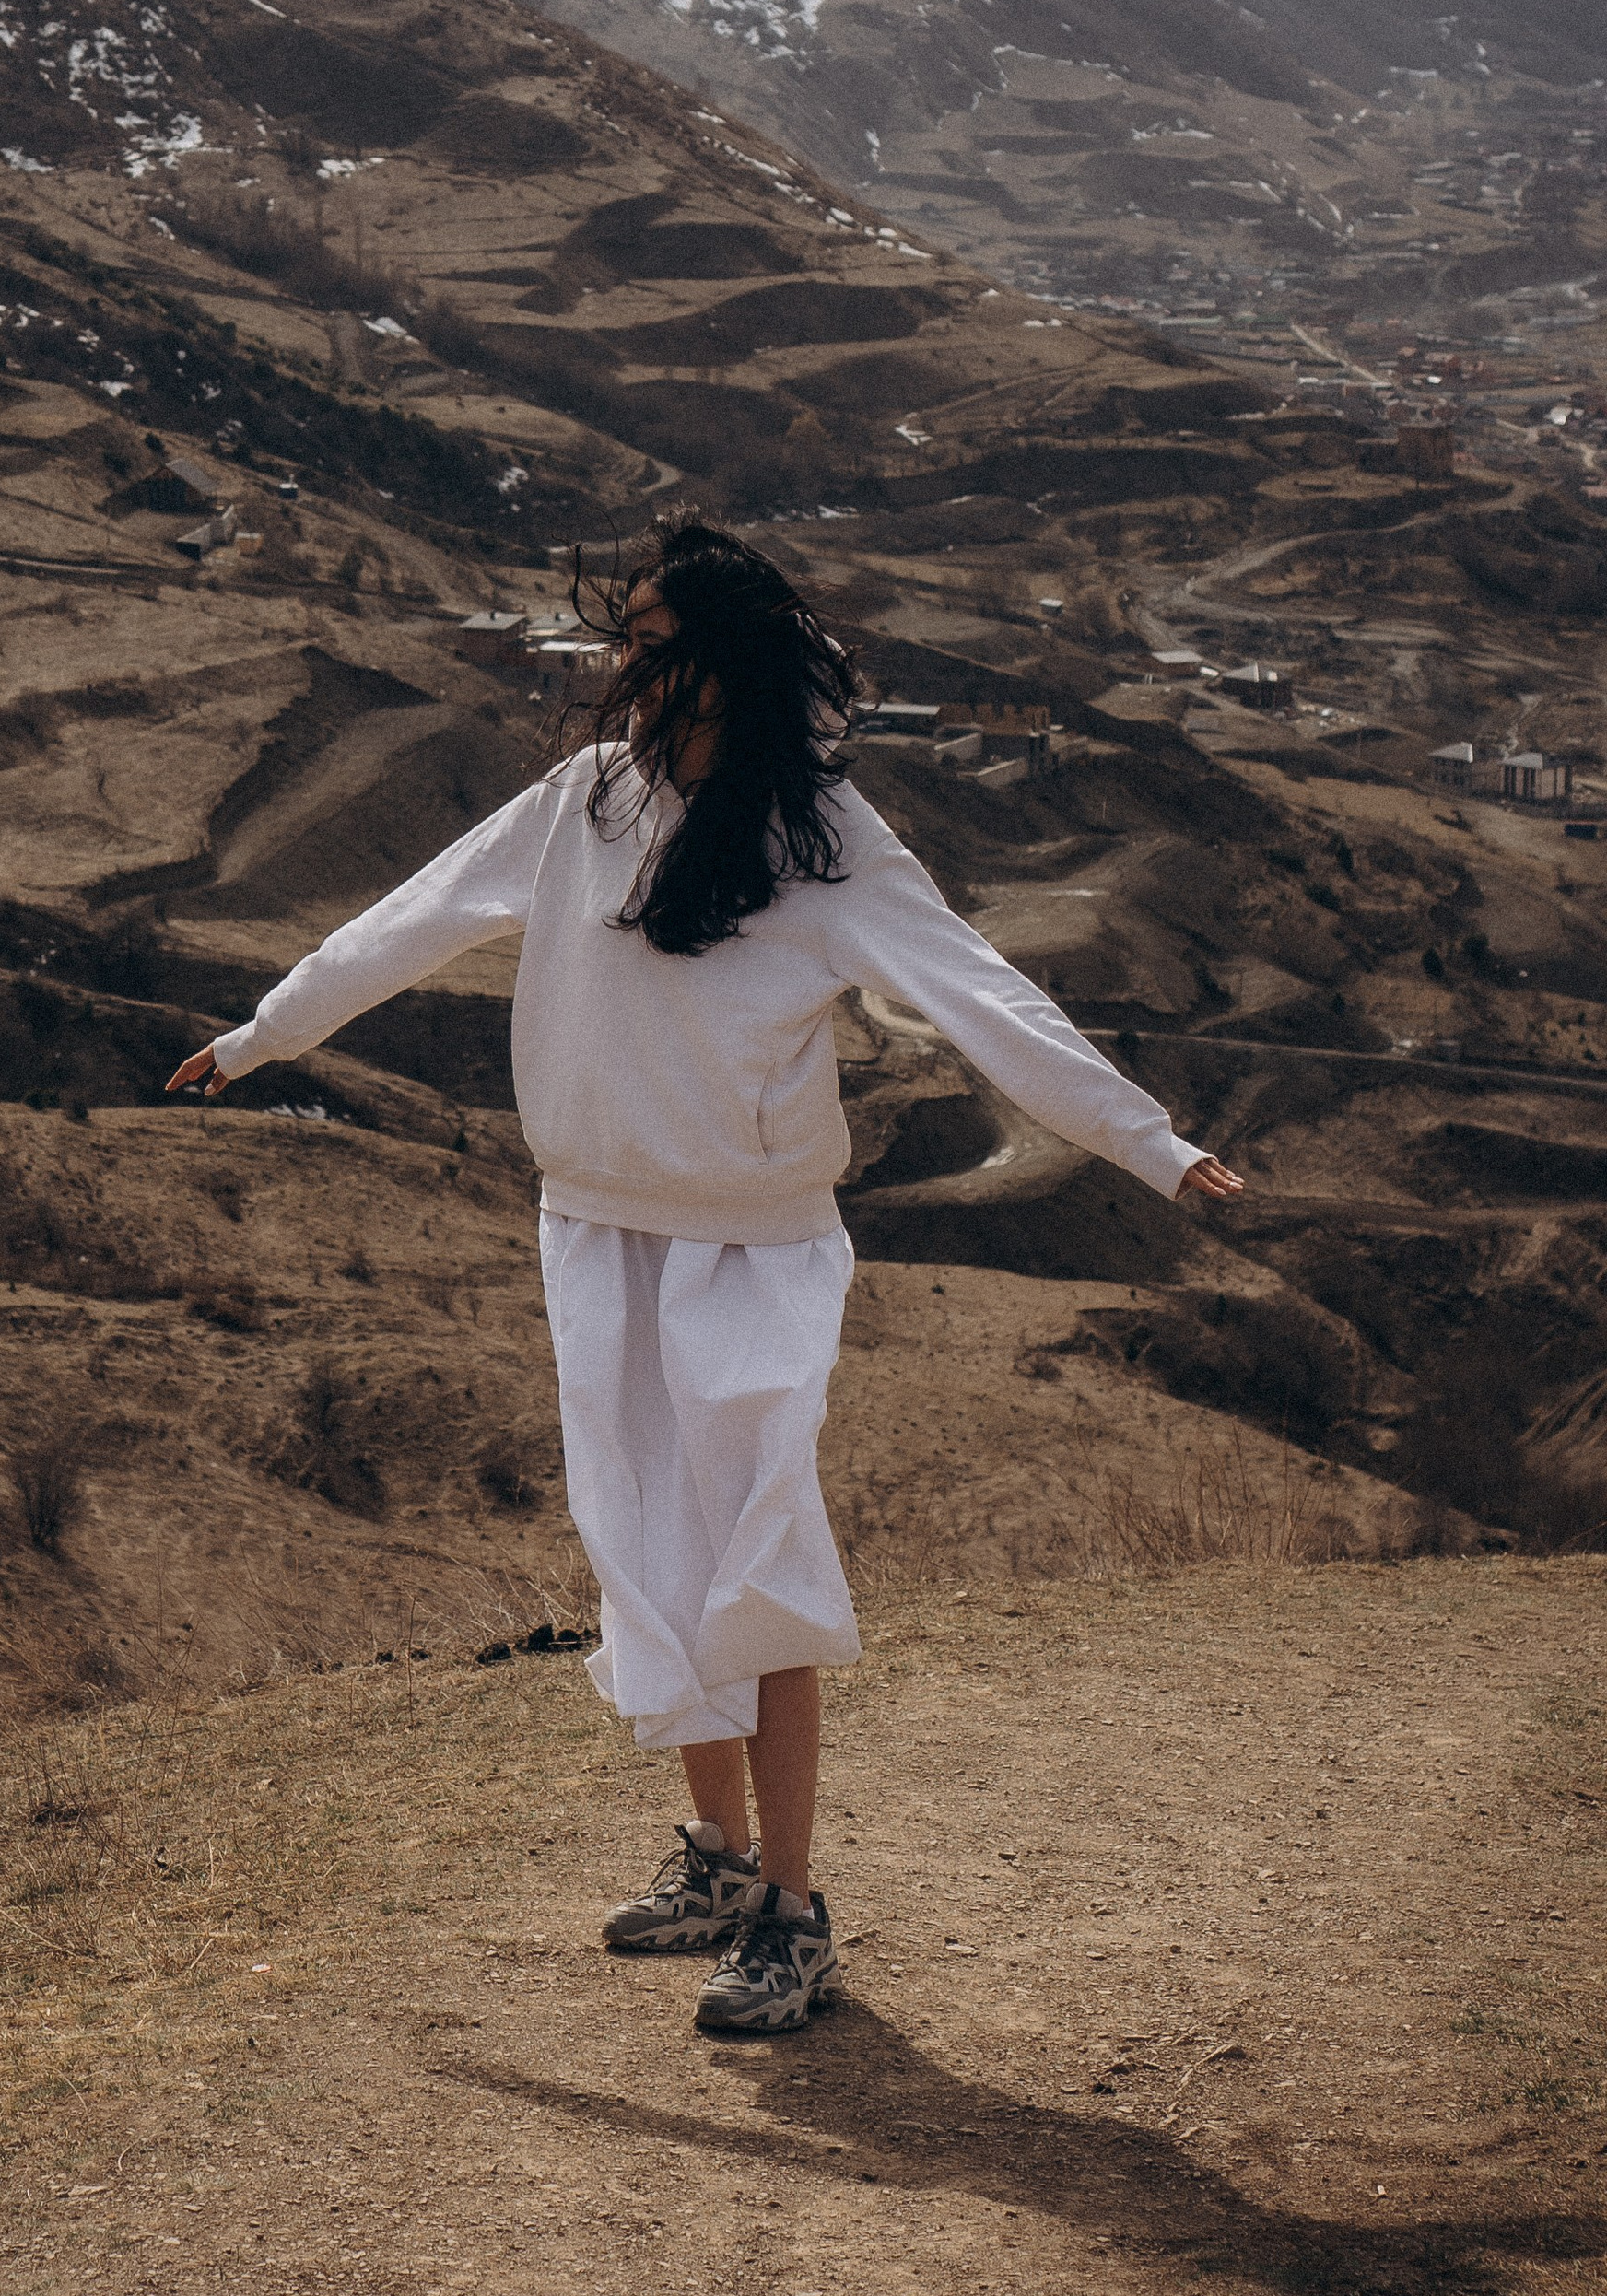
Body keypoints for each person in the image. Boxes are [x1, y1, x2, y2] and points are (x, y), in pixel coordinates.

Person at [167, 517, 1242, 2034]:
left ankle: (796, 1915)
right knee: (649, 1551)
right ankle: (724, 1864)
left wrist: (1149, 1143)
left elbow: (985, 1001)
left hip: (755, 1247)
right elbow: (412, 919)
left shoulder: (829, 844)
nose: (621, 670)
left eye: (650, 644)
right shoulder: (580, 806)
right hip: (597, 1228)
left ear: (719, 669)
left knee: (759, 1555)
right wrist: (267, 1031)